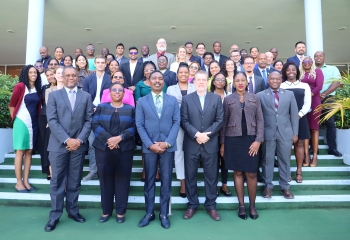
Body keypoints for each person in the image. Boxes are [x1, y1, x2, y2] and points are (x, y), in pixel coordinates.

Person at [44, 66, 93, 232]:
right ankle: (55, 215)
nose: (71, 78)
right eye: (68, 75)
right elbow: (52, 120)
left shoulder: (86, 96)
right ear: (62, 78)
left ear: (78, 77)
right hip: (58, 146)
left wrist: (78, 140)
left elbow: (89, 120)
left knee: (74, 180)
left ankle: (73, 211)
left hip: (78, 146)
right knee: (57, 181)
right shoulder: (54, 95)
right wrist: (67, 140)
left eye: (74, 75)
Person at [136, 71, 180, 229]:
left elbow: (176, 122)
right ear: (149, 80)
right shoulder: (142, 101)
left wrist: (167, 143)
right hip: (150, 148)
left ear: (164, 82)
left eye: (160, 78)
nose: (157, 81)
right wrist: (150, 144)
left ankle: (163, 213)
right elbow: (139, 124)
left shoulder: (172, 100)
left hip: (167, 147)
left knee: (166, 180)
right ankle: (149, 213)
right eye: (154, 78)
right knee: (149, 181)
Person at [220, 72, 263, 220]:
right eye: (237, 80)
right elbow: (223, 123)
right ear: (233, 82)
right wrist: (222, 143)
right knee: (237, 172)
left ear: (247, 82)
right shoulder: (228, 99)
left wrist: (258, 140)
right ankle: (241, 206)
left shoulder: (255, 98)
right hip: (233, 140)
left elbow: (261, 121)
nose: (240, 83)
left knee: (251, 173)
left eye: (242, 80)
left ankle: (252, 205)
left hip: (251, 140)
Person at [181, 70, 223, 221]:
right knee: (190, 176)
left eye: (203, 80)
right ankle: (192, 205)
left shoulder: (216, 98)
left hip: (210, 143)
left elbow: (219, 120)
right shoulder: (186, 99)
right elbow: (184, 121)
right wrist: (197, 134)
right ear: (194, 82)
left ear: (207, 81)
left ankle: (211, 206)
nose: (200, 82)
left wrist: (207, 135)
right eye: (198, 79)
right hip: (192, 143)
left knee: (211, 177)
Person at [92, 82, 136, 224]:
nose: (117, 92)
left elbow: (135, 127)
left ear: (124, 93)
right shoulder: (101, 107)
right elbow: (94, 124)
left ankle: (121, 212)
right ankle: (106, 211)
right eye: (114, 90)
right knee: (105, 180)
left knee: (123, 180)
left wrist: (120, 138)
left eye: (120, 90)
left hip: (124, 149)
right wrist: (109, 139)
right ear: (109, 93)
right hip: (103, 149)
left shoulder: (130, 109)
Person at [257, 71, 299, 199]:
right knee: (267, 160)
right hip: (267, 133)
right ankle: (268, 186)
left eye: (277, 79)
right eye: (272, 79)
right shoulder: (260, 95)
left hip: (285, 132)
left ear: (281, 80)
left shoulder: (289, 94)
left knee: (285, 160)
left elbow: (294, 115)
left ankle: (285, 187)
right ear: (268, 80)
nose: (275, 81)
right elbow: (258, 117)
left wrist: (295, 133)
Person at [9, 65, 42, 193]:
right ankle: (18, 183)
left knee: (29, 152)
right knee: (20, 152)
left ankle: (26, 181)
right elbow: (12, 105)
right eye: (31, 72)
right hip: (21, 122)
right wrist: (15, 120)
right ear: (26, 74)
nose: (34, 74)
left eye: (35, 72)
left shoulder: (37, 89)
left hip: (34, 123)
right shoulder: (20, 86)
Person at [166, 64, 196, 198]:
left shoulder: (195, 87)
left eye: (186, 72)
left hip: (193, 124)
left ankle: (191, 180)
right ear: (177, 75)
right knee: (178, 153)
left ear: (190, 74)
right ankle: (182, 182)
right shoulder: (171, 89)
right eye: (181, 72)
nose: (183, 74)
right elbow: (168, 107)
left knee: (192, 153)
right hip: (176, 124)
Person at [280, 62, 311, 183]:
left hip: (300, 117)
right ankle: (287, 171)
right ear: (285, 72)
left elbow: (308, 103)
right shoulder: (281, 85)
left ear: (297, 71)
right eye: (288, 70)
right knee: (286, 145)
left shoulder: (304, 85)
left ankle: (299, 171)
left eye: (293, 70)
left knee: (299, 143)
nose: (291, 72)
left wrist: (299, 115)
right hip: (284, 119)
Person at [83, 56, 112, 181]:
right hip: (92, 113)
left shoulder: (110, 79)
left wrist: (101, 108)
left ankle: (106, 171)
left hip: (106, 113)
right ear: (94, 64)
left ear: (106, 64)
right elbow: (84, 96)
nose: (100, 64)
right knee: (92, 143)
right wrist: (93, 107)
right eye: (98, 62)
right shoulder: (88, 79)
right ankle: (93, 171)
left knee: (108, 142)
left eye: (102, 63)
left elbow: (113, 96)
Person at [135, 61, 165, 182]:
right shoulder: (140, 84)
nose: (149, 71)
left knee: (159, 143)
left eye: (151, 69)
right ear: (143, 72)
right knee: (146, 144)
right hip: (146, 117)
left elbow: (165, 98)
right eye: (146, 70)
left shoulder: (162, 83)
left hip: (161, 118)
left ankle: (157, 170)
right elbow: (137, 101)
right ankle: (145, 170)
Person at [314, 51, 342, 157]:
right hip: (314, 99)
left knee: (330, 123)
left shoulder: (333, 69)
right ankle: (314, 148)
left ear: (324, 58)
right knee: (313, 124)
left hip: (329, 99)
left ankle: (332, 148)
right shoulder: (312, 70)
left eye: (320, 56)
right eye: (316, 56)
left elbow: (337, 82)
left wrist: (325, 94)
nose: (318, 58)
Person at [210, 72, 232, 196]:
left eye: (222, 80)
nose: (220, 81)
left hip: (228, 133)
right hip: (213, 133)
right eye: (217, 79)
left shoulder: (230, 96)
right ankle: (214, 186)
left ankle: (224, 185)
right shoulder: (209, 96)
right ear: (213, 82)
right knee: (213, 161)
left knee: (225, 160)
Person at [300, 56, 324, 167]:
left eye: (309, 61)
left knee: (314, 128)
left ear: (312, 62)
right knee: (305, 129)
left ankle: (314, 155)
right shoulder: (300, 73)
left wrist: (309, 95)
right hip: (303, 103)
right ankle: (306, 155)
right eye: (304, 61)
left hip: (314, 101)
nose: (307, 63)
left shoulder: (317, 72)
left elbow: (319, 86)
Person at [38, 68, 58, 180]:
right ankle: (47, 170)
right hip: (44, 117)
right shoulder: (45, 88)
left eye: (52, 74)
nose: (50, 77)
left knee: (52, 144)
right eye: (47, 75)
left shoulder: (62, 86)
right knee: (45, 144)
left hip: (54, 117)